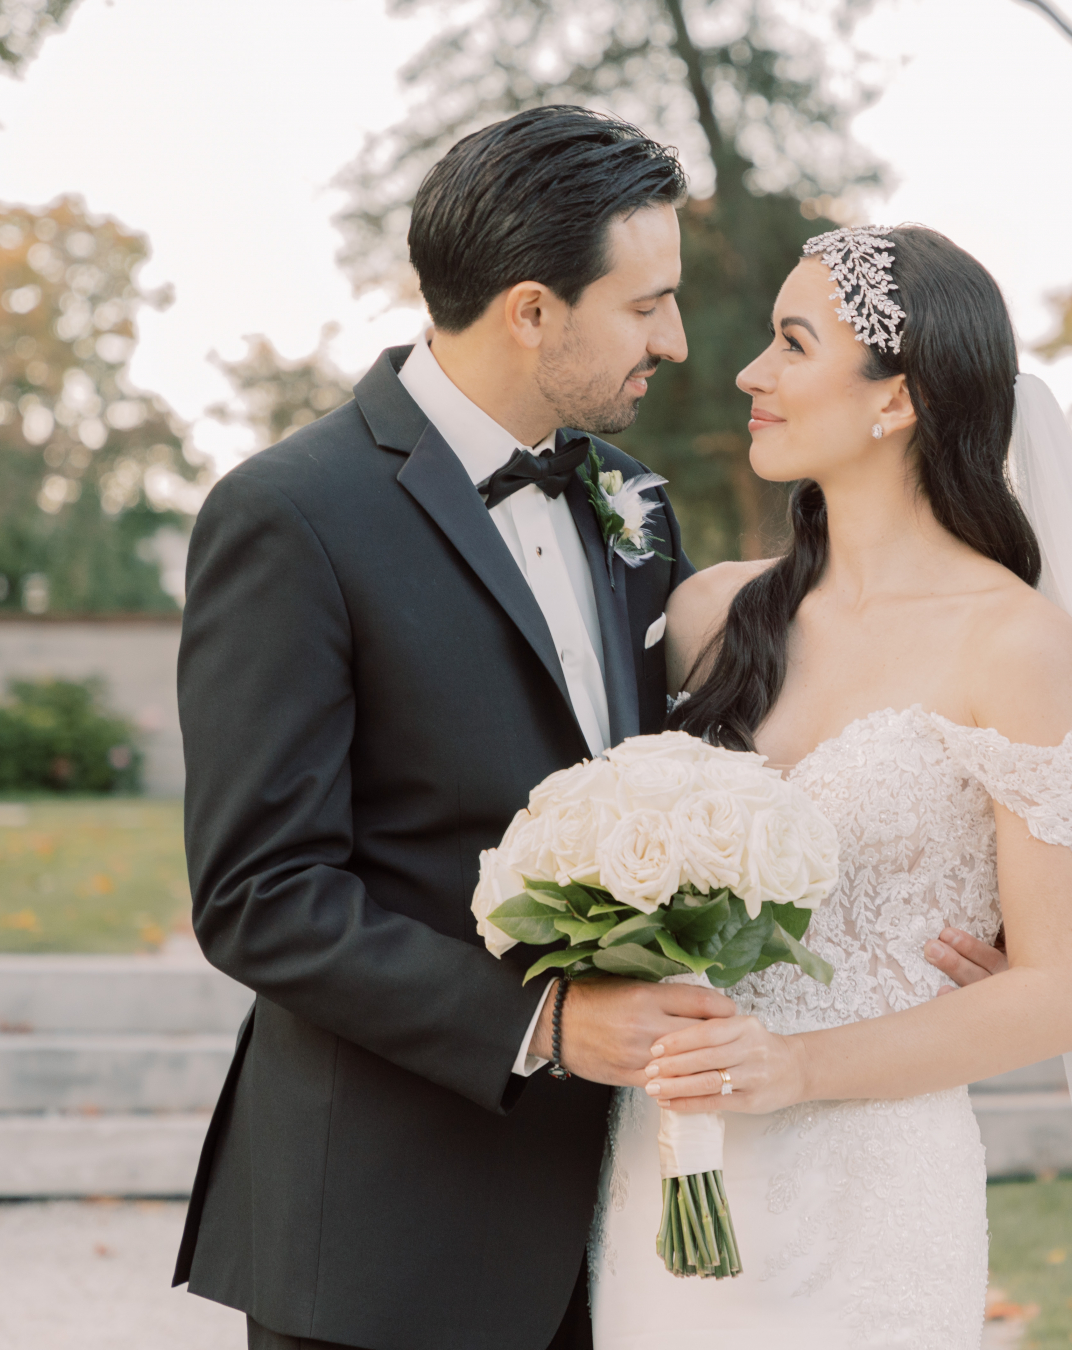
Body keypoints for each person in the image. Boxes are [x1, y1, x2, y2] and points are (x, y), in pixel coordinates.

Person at [591, 227, 1072, 1349]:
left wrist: (793, 1066)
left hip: (875, 1199)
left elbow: (1064, 992)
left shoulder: (1016, 643)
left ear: (896, 398)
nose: (751, 374)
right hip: (666, 1175)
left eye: (792, 344)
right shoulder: (710, 613)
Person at [172, 106, 742, 1350]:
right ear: (532, 311)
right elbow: (260, 895)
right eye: (647, 305)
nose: (676, 340)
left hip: (617, 1234)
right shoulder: (289, 515)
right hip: (387, 1246)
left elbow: (726, 747)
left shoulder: (630, 503)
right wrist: (547, 1023)